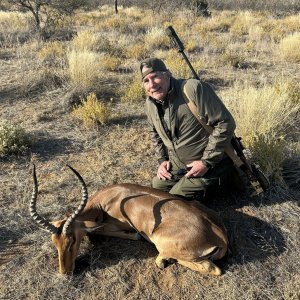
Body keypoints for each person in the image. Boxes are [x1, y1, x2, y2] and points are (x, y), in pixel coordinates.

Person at [141, 57, 239, 200]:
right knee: (157, 188)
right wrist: (162, 160)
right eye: (146, 81)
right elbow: (154, 134)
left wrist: (206, 162)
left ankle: (223, 181)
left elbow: (225, 123)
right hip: (179, 164)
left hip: (211, 163)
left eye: (155, 77)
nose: (152, 85)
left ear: (168, 74)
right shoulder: (150, 104)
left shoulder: (192, 89)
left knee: (176, 198)